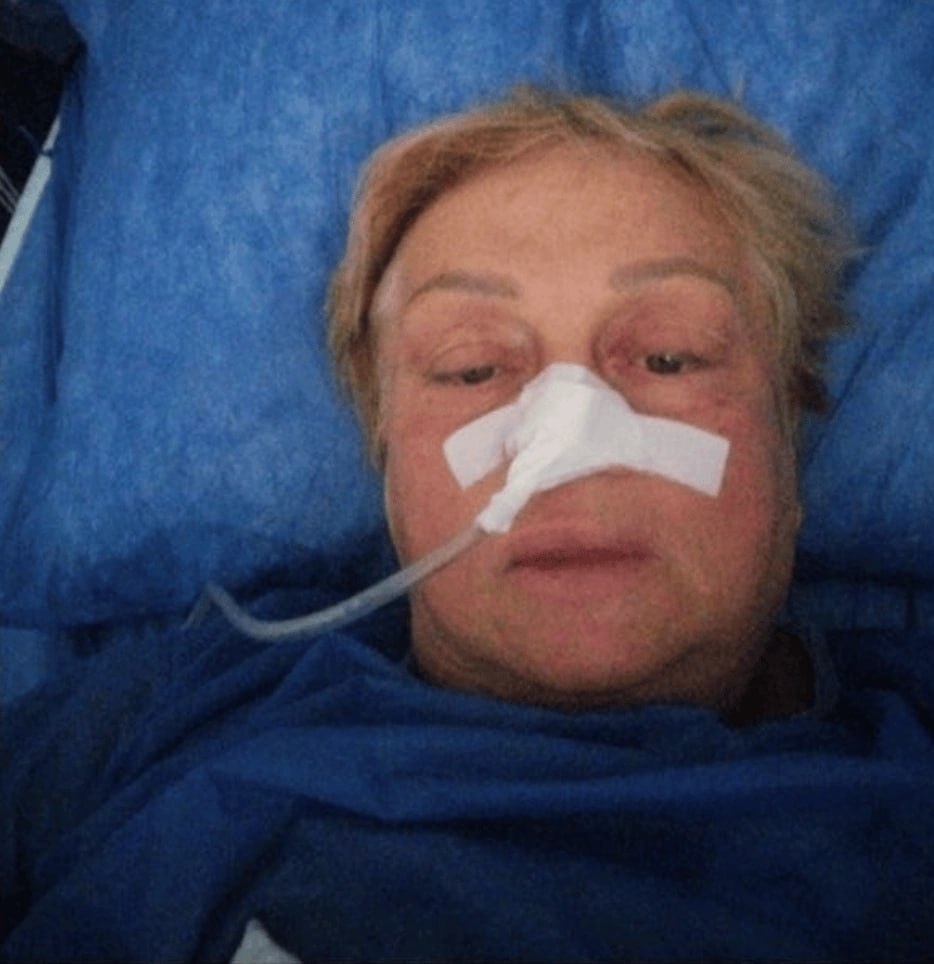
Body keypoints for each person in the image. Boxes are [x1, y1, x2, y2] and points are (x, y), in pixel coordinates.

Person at [2, 88, 932, 962]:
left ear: (788, 435)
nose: (568, 440)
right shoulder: (171, 709)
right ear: (385, 454)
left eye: (667, 356)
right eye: (472, 369)